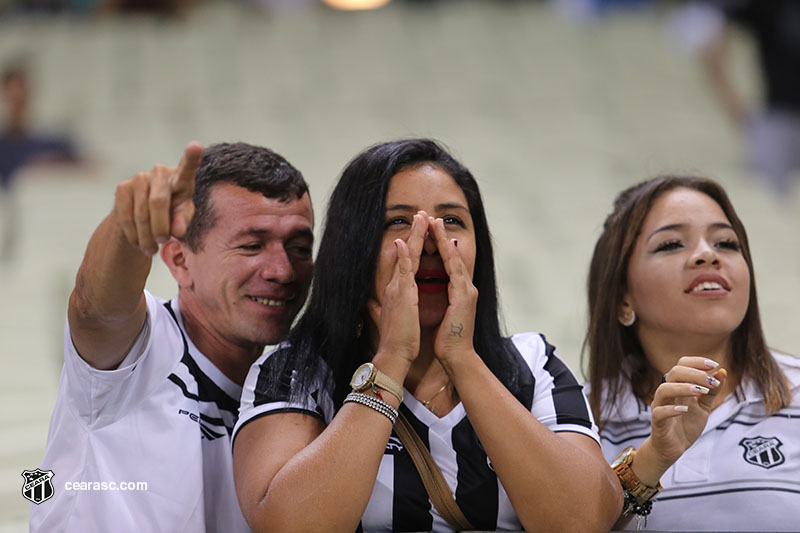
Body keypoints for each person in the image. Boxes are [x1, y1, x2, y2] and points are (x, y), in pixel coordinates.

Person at [232, 138, 622, 532]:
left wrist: (462, 358)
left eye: (451, 220)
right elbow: (288, 525)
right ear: (353, 248)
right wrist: (391, 361)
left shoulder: (532, 363)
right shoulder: (295, 372)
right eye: (399, 222)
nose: (432, 242)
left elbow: (584, 519)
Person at [30, 142, 314, 532]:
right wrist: (129, 227)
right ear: (180, 261)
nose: (283, 270)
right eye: (252, 246)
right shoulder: (136, 351)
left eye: (299, 247)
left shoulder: (301, 390)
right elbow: (94, 310)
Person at [585, 175, 800, 531]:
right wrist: (651, 460)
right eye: (671, 244)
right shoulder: (574, 418)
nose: (707, 255)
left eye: (727, 243)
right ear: (623, 297)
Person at [697, 0, 800, 196]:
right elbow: (712, 58)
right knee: (771, 206)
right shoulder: (770, 7)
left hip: (778, 124)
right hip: (779, 122)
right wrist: (739, 114)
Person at [1, 63, 81, 262]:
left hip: (55, 227)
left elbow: (89, 170)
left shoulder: (55, 141)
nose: (17, 100)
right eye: (12, 94)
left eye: (22, 92)